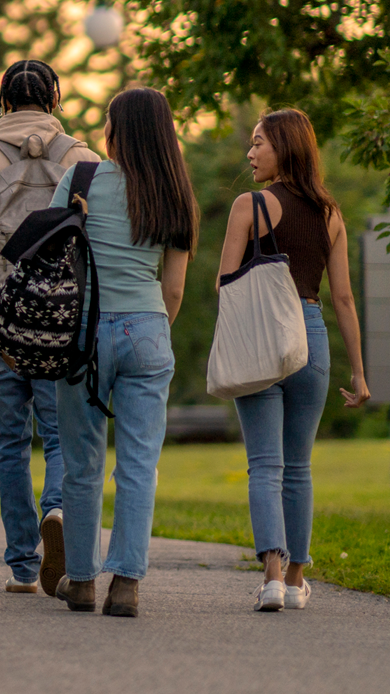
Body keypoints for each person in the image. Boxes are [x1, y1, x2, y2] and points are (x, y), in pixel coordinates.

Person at [0, 60, 99, 596]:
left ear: (2, 102)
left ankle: (20, 565)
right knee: (60, 437)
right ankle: (56, 509)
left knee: (9, 442)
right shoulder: (84, 162)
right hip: (63, 323)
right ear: (55, 100)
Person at [51, 87, 197, 618]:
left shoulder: (81, 179)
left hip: (83, 334)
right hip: (148, 329)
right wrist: (150, 328)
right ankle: (126, 584)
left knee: (82, 462)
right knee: (139, 464)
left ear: (116, 131)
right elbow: (175, 289)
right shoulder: (174, 193)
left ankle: (83, 580)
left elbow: (51, 252)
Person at [216, 108, 370, 612]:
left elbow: (226, 284)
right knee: (298, 467)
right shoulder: (331, 213)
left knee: (265, 464)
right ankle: (299, 578)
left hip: (262, 335)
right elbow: (343, 299)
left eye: (259, 143)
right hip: (312, 337)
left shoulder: (250, 206)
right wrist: (360, 372)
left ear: (284, 147)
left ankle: (273, 579)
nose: (251, 152)